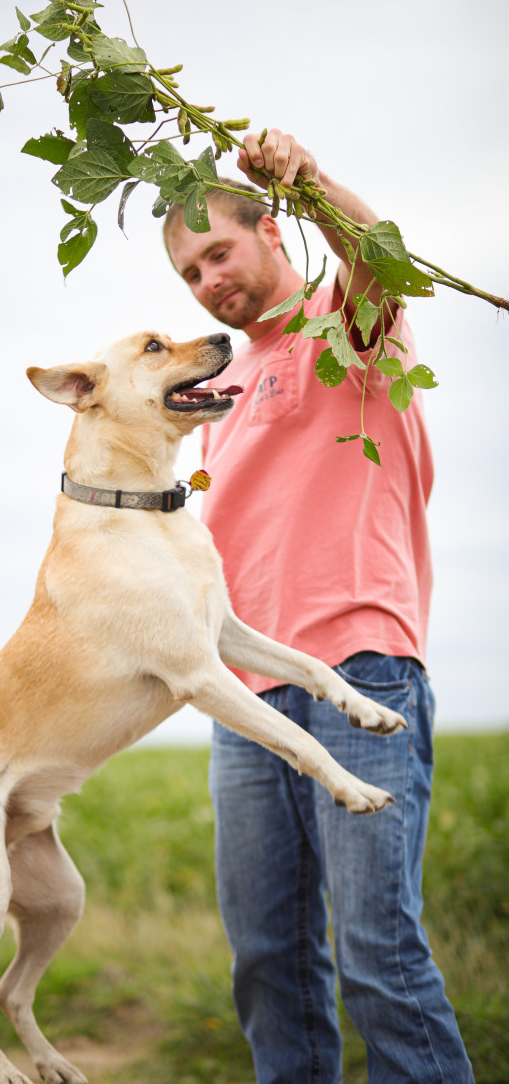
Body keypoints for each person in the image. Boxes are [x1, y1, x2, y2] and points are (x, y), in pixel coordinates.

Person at [162, 130, 474, 1084]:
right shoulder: (215, 385)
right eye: (189, 272)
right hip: (247, 698)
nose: (208, 280)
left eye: (219, 251)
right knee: (269, 964)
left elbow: (380, 255)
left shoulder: (347, 324)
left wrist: (310, 179)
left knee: (378, 954)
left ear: (271, 230)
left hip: (360, 672)